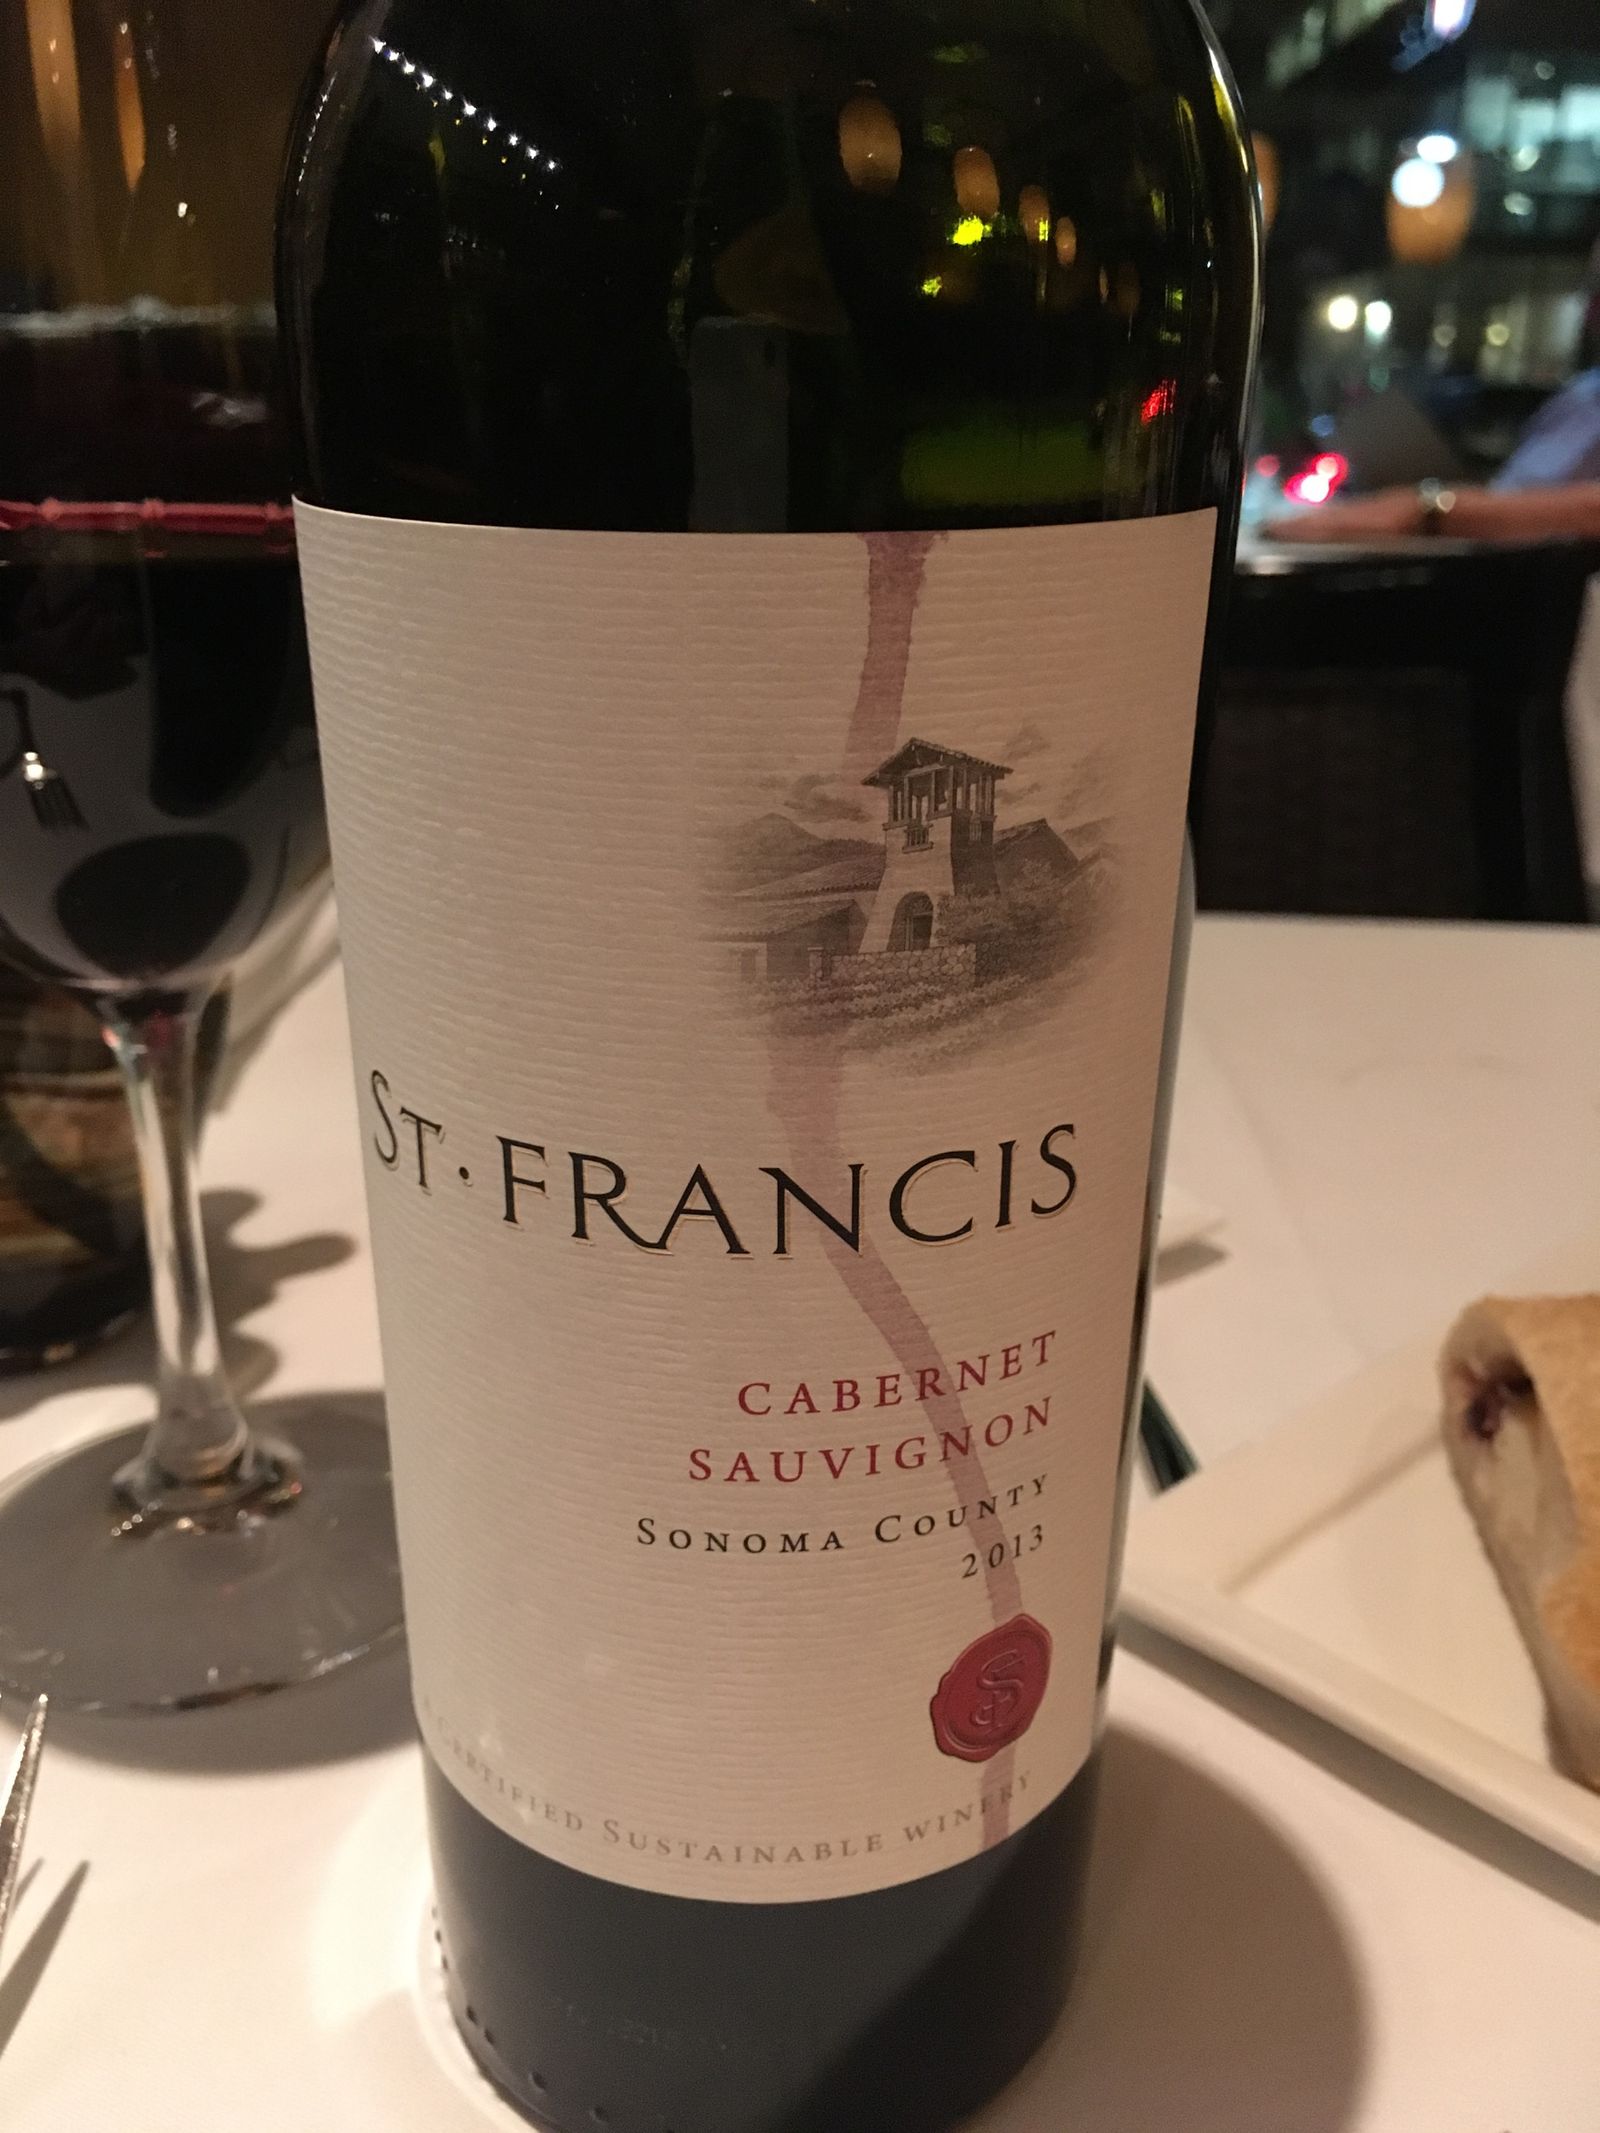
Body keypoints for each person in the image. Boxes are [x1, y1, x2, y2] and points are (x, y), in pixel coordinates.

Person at [1268, 244, 1600, 545]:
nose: (1590, 310)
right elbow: (1515, 492)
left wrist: (1422, 511)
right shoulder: (1582, 393)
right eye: (1591, 292)